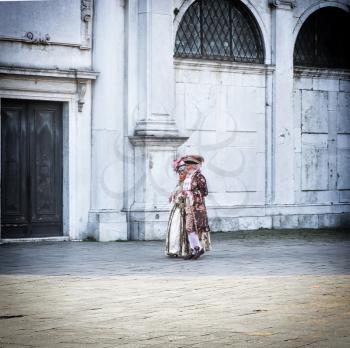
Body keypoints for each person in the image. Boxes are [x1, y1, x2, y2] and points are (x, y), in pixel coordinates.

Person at [182, 155, 211, 260]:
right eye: (188, 164)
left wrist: (192, 193)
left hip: (197, 206)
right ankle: (195, 249)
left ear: (196, 165)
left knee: (193, 228)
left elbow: (205, 192)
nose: (188, 166)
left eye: (191, 164)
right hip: (188, 205)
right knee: (189, 228)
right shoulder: (188, 177)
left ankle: (197, 249)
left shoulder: (199, 177)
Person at [165, 159, 190, 257]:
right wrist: (172, 196)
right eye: (179, 173)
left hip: (182, 209)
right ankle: (173, 249)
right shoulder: (179, 184)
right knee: (174, 229)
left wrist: (180, 198)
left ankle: (181, 249)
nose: (180, 175)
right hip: (176, 210)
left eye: (182, 173)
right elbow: (175, 194)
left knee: (180, 230)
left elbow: (186, 196)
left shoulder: (187, 185)